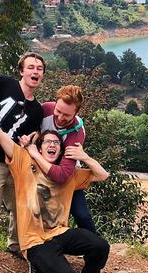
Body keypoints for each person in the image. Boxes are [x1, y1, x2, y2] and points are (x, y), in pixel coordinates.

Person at [0, 88, 111, 273]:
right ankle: (36, 261)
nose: (52, 145)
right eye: (47, 142)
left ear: (61, 149)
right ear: (39, 145)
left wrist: (84, 157)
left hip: (60, 232)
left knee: (101, 246)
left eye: (56, 143)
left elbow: (103, 175)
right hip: (34, 240)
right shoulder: (23, 161)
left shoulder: (68, 174)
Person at [0, 52, 45, 263]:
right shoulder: (5, 84)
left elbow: (32, 138)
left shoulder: (37, 110)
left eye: (39, 68)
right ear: (21, 70)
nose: (35, 71)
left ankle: (16, 244)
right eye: (31, 67)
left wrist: (31, 141)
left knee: (21, 204)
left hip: (15, 163)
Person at [40, 85, 97, 233]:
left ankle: (95, 247)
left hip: (67, 174)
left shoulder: (77, 131)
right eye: (58, 111)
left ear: (76, 112)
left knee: (82, 215)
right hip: (40, 171)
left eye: (66, 115)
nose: (60, 118)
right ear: (55, 103)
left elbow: (62, 174)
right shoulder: (44, 109)